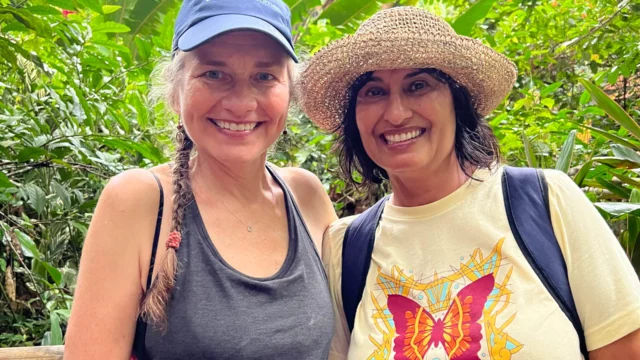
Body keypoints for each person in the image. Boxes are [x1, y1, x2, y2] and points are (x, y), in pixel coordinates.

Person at [298, 6, 640, 360]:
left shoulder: (546, 201)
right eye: (373, 92)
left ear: (457, 103)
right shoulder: (345, 248)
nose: (396, 113)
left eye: (418, 85)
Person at [65, 1, 337, 359]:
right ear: (175, 91)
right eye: (214, 74)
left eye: (264, 76)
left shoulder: (306, 194)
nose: (241, 103)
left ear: (289, 93)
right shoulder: (139, 202)